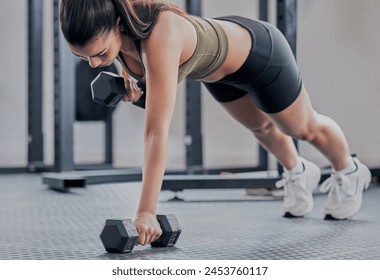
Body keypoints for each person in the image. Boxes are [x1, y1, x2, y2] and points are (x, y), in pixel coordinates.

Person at [60, 0, 371, 245]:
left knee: (302, 127)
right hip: (217, 72)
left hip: (260, 55)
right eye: (82, 57)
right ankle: (299, 171)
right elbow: (152, 93)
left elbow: (156, 132)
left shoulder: (159, 33)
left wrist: (145, 211)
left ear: (116, 24)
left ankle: (350, 170)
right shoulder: (118, 38)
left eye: (99, 54)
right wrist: (134, 93)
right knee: (260, 128)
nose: (95, 63)